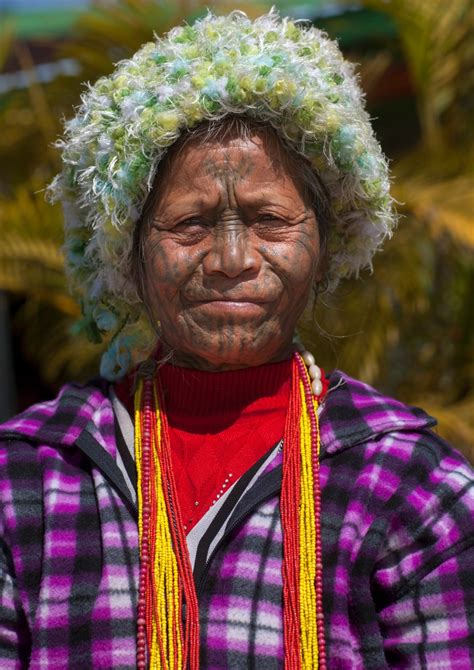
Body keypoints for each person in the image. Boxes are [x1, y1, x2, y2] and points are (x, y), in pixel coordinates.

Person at [0, 10, 473, 669]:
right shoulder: (28, 478)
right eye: (189, 223)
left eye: (268, 219)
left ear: (327, 242)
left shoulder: (411, 483)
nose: (230, 257)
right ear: (126, 257)